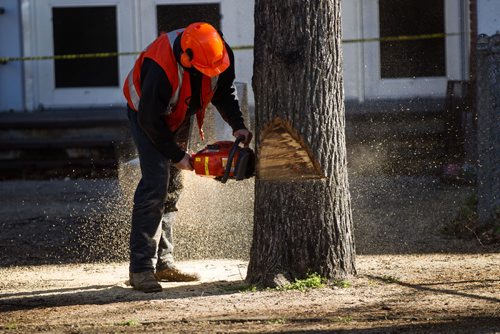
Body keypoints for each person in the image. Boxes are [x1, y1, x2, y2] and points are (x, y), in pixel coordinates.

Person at [123, 22, 252, 292]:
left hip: (180, 109)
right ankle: (141, 268)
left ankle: (165, 262)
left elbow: (224, 90)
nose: (211, 72)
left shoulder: (218, 53)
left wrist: (237, 124)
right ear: (186, 59)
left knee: (174, 186)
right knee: (156, 183)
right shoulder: (161, 68)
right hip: (147, 116)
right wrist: (176, 154)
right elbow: (149, 119)